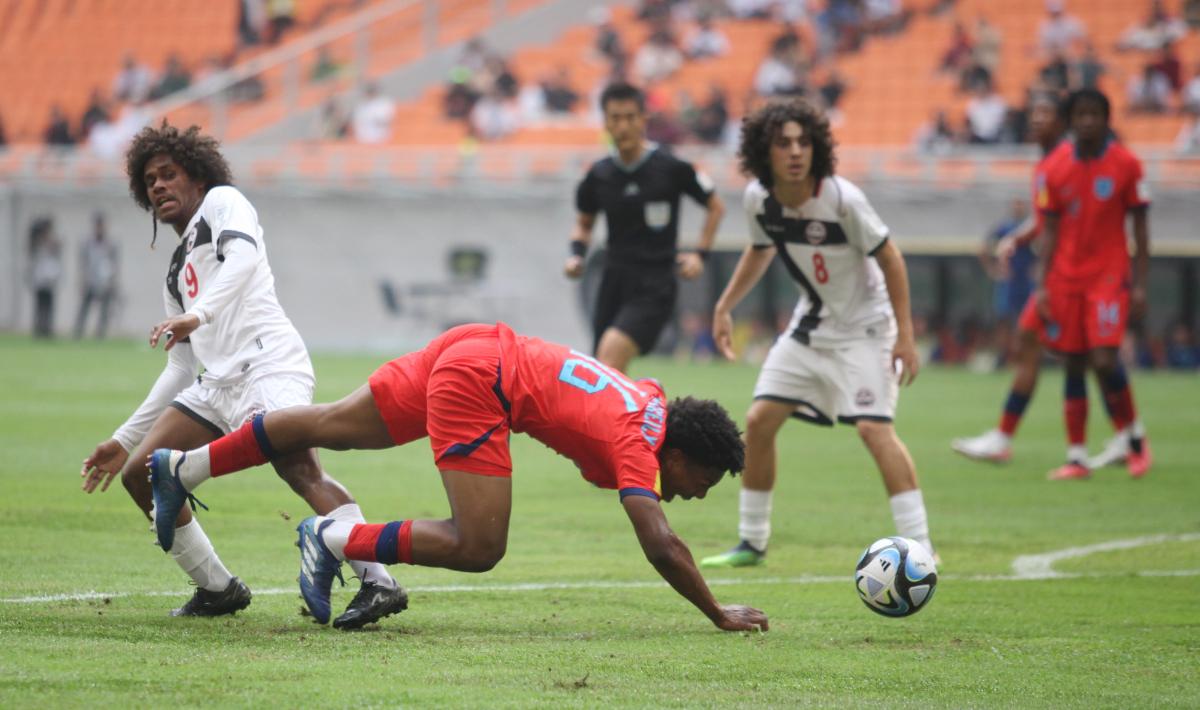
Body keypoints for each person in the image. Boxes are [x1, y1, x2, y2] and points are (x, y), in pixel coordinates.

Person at [147, 322, 768, 632]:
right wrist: (717, 612)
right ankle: (332, 539)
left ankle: (187, 466)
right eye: (701, 482)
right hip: (483, 384)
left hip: (474, 345)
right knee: (479, 545)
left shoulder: (649, 398)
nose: (691, 495)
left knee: (328, 424)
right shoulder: (642, 443)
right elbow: (660, 543)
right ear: (681, 454)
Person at [79, 123, 403, 628]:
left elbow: (244, 257)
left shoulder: (224, 202)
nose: (159, 186)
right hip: (219, 382)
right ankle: (217, 589)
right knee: (140, 473)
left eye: (169, 174)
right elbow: (181, 366)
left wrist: (199, 315)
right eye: (149, 181)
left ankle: (379, 579)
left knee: (299, 471)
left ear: (199, 177)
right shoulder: (175, 270)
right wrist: (124, 438)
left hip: (269, 361)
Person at [699, 99, 934, 568]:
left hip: (868, 330)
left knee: (873, 429)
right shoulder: (758, 199)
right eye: (783, 143)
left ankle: (921, 548)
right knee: (760, 419)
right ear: (763, 151)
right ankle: (752, 542)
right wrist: (725, 305)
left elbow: (891, 258)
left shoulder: (842, 199)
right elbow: (760, 249)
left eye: (803, 142)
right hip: (812, 327)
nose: (795, 152)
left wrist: (904, 335)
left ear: (817, 149)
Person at [952, 92, 1141, 471]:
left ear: (1064, 122)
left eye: (1047, 113)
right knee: (1057, 349)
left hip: (1071, 277)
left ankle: (1125, 436)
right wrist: (1018, 239)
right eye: (1035, 111)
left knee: (1086, 356)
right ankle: (1121, 437)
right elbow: (1046, 220)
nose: (1038, 119)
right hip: (1064, 275)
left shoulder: (1062, 163)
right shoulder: (1052, 165)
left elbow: (1053, 224)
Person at [1034, 88, 1153, 480]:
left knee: (1104, 359)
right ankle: (1077, 456)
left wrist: (1139, 284)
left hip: (1108, 275)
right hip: (1067, 277)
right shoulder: (1055, 168)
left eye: (1095, 114)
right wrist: (1043, 284)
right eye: (1080, 114)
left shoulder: (1128, 165)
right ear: (1071, 121)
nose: (1087, 121)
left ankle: (1136, 440)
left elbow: (1141, 228)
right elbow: (1048, 231)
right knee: (1073, 361)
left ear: (1107, 118)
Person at [566, 82, 725, 373]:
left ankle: (645, 413)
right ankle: (633, 417)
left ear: (643, 120)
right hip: (613, 280)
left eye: (630, 117)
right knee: (603, 372)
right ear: (605, 122)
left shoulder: (671, 168)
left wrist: (700, 255)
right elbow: (584, 223)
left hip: (655, 281)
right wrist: (576, 255)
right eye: (615, 118)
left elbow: (716, 206)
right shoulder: (598, 175)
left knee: (610, 354)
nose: (623, 126)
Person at [73, 212, 120, 339]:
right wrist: (82, 281)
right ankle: (78, 333)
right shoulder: (87, 243)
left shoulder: (111, 244)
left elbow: (114, 264)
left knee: (104, 311)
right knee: (84, 309)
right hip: (90, 281)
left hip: (105, 282)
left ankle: (100, 334)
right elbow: (82, 264)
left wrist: (113, 282)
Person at [28, 217, 63, 338]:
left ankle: (47, 330)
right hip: (40, 280)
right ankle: (39, 330)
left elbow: (58, 250)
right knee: (40, 306)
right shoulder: (36, 243)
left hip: (50, 280)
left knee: (49, 307)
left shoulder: (53, 243)